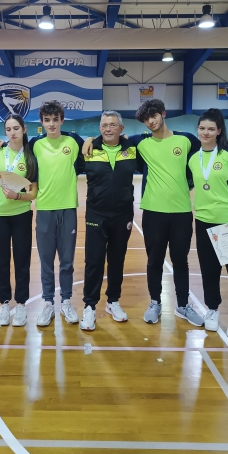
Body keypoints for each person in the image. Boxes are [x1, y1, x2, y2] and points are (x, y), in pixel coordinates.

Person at [83, 99, 228, 327]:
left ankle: (182, 305)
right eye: (146, 119)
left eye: (154, 116)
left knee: (180, 261)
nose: (151, 121)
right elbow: (113, 139)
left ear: (163, 114)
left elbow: (211, 148)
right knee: (154, 261)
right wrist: (90, 139)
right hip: (153, 211)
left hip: (181, 212)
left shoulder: (186, 139)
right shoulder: (140, 143)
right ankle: (155, 302)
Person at [0, 101, 84, 327]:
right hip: (43, 209)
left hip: (68, 208)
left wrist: (92, 139)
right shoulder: (34, 145)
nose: (51, 124)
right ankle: (47, 303)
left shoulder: (73, 141)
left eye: (55, 119)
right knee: (46, 261)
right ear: (41, 123)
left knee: (67, 261)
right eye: (47, 120)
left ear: (62, 120)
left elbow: (94, 147)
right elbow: (12, 147)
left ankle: (66, 302)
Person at [188, 109, 228, 338]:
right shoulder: (193, 158)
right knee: (209, 271)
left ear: (219, 131)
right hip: (203, 221)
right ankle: (212, 309)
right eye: (202, 128)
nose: (206, 132)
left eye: (211, 129)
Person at [80, 111, 139, 331]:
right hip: (96, 214)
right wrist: (87, 139)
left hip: (123, 214)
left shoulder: (133, 149)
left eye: (113, 125)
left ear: (121, 129)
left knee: (117, 260)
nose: (108, 128)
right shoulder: (89, 150)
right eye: (104, 125)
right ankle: (89, 306)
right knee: (94, 261)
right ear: (99, 129)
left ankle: (113, 301)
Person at [0, 114, 38, 327]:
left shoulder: (30, 156)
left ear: (24, 129)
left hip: (21, 214)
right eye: (8, 129)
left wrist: (18, 196)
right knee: (1, 262)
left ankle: (22, 304)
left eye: (16, 128)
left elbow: (33, 193)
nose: (12, 132)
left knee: (22, 261)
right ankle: (4, 303)